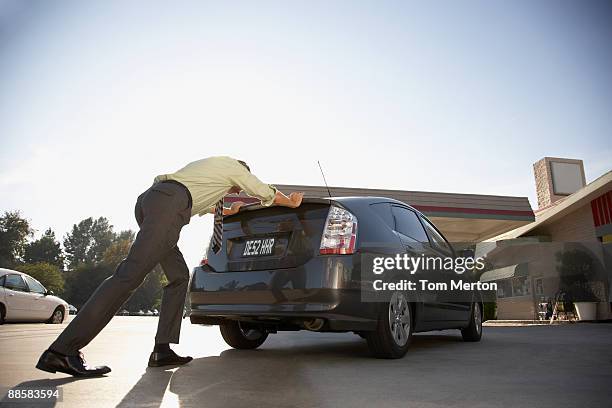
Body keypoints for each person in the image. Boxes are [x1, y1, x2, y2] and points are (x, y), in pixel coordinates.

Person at [36, 156, 304, 377]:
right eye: (236, 187)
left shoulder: (207, 173)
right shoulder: (235, 167)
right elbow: (259, 188)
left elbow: (213, 206)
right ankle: (62, 351)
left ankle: (162, 349)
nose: (235, 191)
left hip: (153, 201)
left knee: (179, 277)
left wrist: (229, 209)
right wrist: (288, 201)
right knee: (128, 276)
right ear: (241, 170)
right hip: (169, 205)